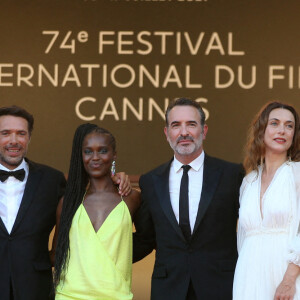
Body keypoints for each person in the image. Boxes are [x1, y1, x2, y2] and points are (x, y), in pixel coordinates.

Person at [0, 106, 131, 300]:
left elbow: (88, 198)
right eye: (5, 133)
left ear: (29, 138)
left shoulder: (51, 180)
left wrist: (115, 177)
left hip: (35, 289)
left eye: (21, 133)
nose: (14, 140)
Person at [133, 97, 244, 300]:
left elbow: (251, 227)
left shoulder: (232, 175)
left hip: (220, 288)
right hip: (168, 289)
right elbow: (146, 239)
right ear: (167, 133)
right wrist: (101, 254)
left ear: (204, 130)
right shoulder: (150, 181)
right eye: (176, 125)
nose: (184, 132)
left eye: (191, 124)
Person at [53, 123, 140, 300]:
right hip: (69, 295)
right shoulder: (68, 203)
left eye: (102, 151)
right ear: (81, 156)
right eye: (88, 151)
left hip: (116, 295)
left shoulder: (131, 198)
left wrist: (112, 269)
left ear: (114, 155)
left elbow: (149, 239)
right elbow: (56, 255)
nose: (95, 157)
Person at [233, 102, 300, 300]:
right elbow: (243, 239)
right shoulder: (248, 181)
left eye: (289, 126)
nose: (282, 130)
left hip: (287, 277)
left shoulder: (297, 174)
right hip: (248, 277)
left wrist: (289, 281)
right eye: (275, 123)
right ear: (261, 129)